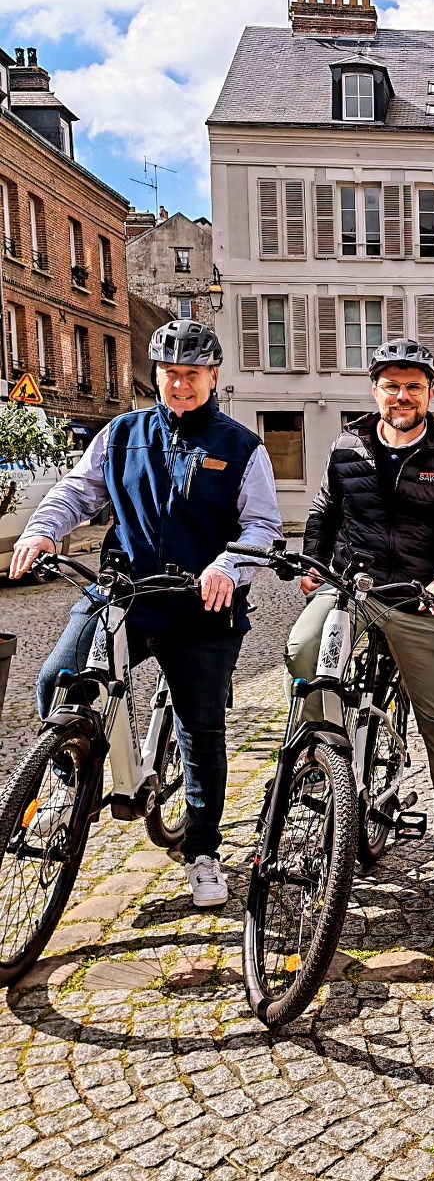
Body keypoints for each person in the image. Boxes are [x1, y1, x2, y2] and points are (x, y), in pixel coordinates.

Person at [10, 320, 283, 907]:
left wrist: (227, 568)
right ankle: (62, 787)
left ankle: (204, 848)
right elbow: (76, 492)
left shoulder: (241, 448)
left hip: (201, 606)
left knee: (199, 726)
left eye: (192, 374)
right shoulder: (122, 433)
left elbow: (262, 528)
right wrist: (41, 533)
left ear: (214, 377)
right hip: (123, 593)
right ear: (156, 375)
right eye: (170, 373)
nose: (180, 384)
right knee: (57, 679)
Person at [285, 338, 434, 893]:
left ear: (431, 394)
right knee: (303, 648)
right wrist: (314, 563)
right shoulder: (348, 445)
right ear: (375, 390)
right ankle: (320, 756)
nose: (402, 396)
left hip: (418, 594)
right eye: (392, 386)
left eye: (413, 387)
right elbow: (327, 511)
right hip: (351, 586)